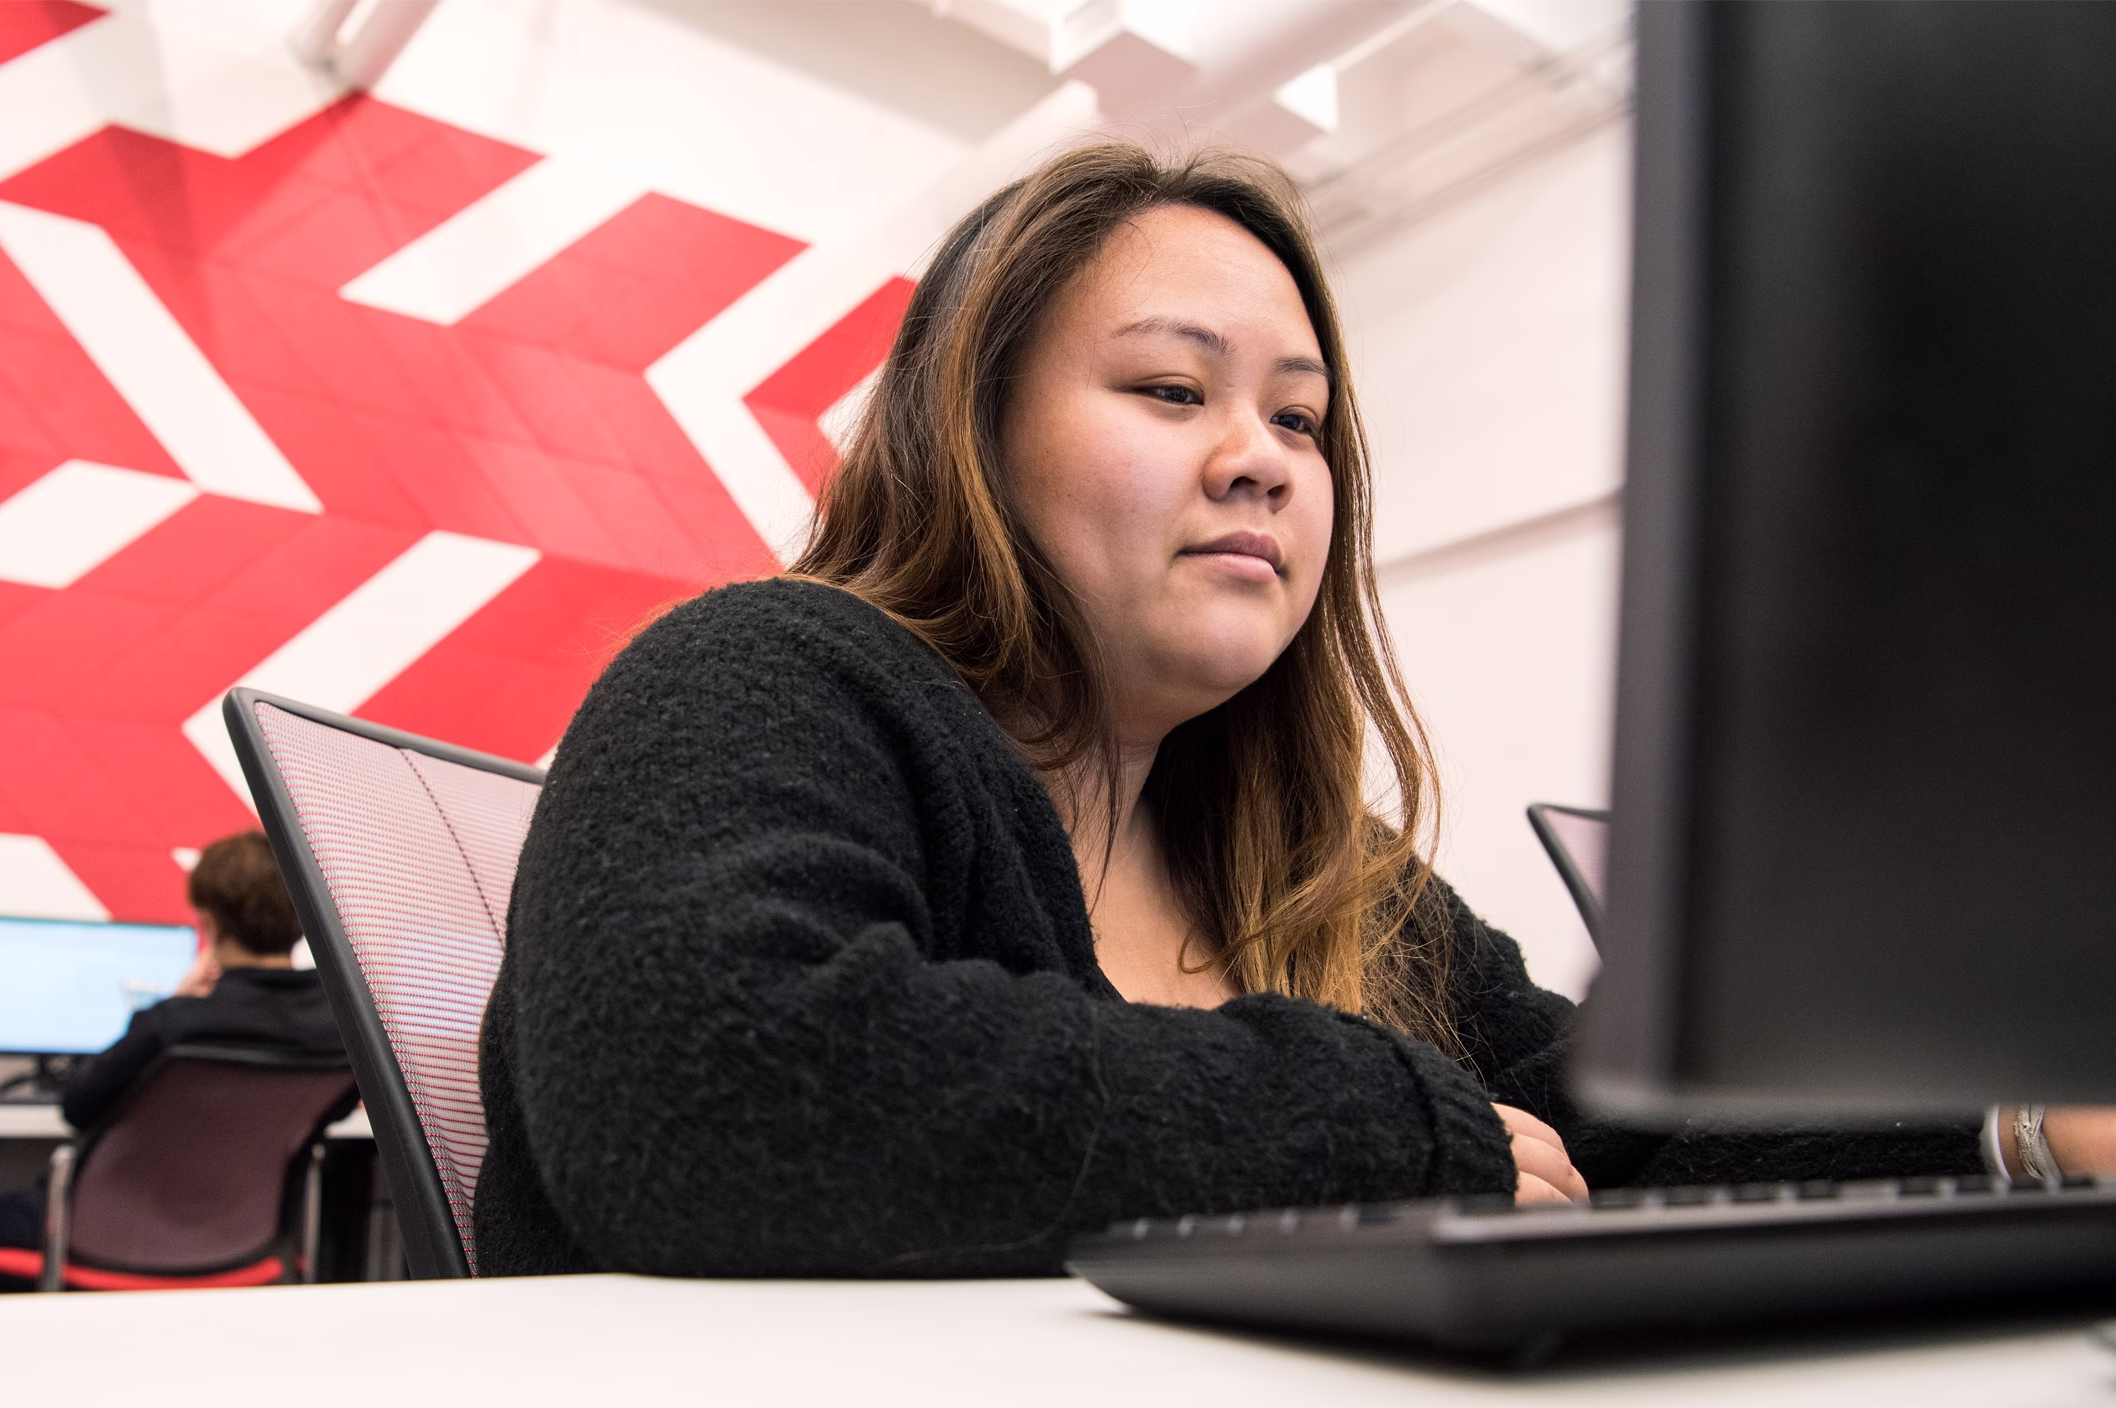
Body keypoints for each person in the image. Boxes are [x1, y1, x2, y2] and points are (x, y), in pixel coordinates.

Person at [471, 142, 2116, 1280]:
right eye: (1172, 390)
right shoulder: (765, 672)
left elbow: (1619, 1126)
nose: (1262, 454)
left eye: (1305, 419)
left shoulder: (1319, 862)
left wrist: (2020, 1125)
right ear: (970, 432)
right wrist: (1392, 1126)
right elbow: (714, 1087)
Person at [0, 831, 344, 1290]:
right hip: (252, 1243)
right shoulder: (342, 1028)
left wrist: (180, 1000)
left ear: (212, 924)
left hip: (106, 1238)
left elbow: (77, 1109)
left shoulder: (173, 1024)